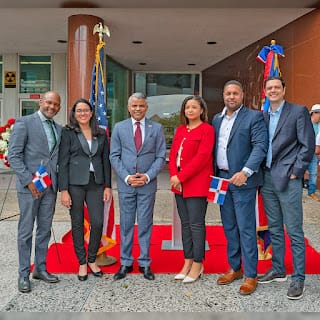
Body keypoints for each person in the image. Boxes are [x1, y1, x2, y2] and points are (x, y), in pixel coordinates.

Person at [258, 76, 315, 300]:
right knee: (274, 228)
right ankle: (278, 269)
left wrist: (296, 171)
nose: (273, 91)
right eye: (269, 88)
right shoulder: (262, 116)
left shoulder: (297, 111)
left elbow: (307, 144)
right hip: (267, 178)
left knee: (294, 229)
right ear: (265, 91)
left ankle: (298, 278)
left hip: (289, 178)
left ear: (284, 89)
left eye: (276, 87)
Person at [212, 80, 268, 295]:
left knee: (245, 228)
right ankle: (235, 268)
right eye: (228, 93)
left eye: (235, 93)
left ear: (242, 95)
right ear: (223, 95)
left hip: (243, 181)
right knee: (229, 227)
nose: (231, 96)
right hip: (221, 181)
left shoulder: (254, 117)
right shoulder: (217, 119)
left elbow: (260, 147)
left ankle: (251, 274)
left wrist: (245, 171)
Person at [8, 91, 62, 293]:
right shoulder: (25, 123)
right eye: (49, 102)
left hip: (50, 187)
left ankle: (40, 268)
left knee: (44, 229)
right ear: (41, 102)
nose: (52, 107)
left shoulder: (58, 128)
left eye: (56, 104)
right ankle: (23, 274)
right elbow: (14, 155)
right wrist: (28, 181)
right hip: (31, 186)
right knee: (25, 231)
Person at [110, 92, 166, 281]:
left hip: (146, 186)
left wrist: (148, 176)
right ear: (128, 107)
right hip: (126, 185)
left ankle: (144, 263)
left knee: (145, 224)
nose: (138, 109)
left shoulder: (156, 128)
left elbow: (160, 156)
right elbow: (114, 156)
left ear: (146, 107)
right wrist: (126, 177)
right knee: (125, 225)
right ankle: (125, 262)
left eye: (141, 106)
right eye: (134, 106)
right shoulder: (119, 128)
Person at [58, 98, 112, 281]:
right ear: (74, 113)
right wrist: (63, 189)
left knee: (97, 222)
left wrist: (108, 186)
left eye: (86, 110)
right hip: (75, 184)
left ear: (91, 113)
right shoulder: (68, 132)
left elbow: (105, 161)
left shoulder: (101, 133)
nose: (82, 113)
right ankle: (82, 263)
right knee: (78, 223)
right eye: (79, 110)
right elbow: (63, 162)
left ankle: (92, 259)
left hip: (96, 183)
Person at [169, 95, 214, 283]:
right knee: (185, 225)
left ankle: (198, 263)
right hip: (178, 185)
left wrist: (181, 176)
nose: (190, 110)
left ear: (201, 110)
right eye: (187, 107)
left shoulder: (207, 130)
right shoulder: (180, 130)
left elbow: (202, 158)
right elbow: (173, 155)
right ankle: (187, 261)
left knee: (196, 225)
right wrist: (174, 176)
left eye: (194, 107)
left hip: (197, 183)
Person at [306, 104, 320, 201]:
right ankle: (297, 194)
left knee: (314, 173)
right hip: (303, 152)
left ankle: (311, 192)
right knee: (299, 172)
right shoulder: (305, 123)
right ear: (313, 113)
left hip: (314, 154)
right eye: (318, 113)